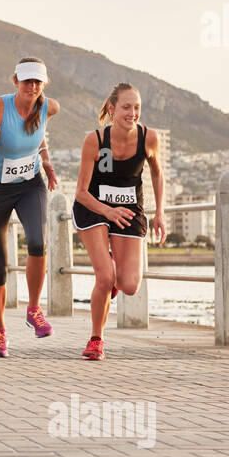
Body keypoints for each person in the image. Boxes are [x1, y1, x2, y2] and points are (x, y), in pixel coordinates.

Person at [71, 81, 166, 360]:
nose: (132, 113)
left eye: (137, 107)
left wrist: (159, 212)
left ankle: (113, 269)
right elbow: (80, 192)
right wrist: (107, 211)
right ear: (112, 109)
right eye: (126, 107)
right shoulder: (95, 140)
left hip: (128, 210)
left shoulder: (149, 138)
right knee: (105, 277)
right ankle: (96, 340)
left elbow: (157, 174)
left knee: (129, 285)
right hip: (93, 209)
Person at [0, 57, 61, 357]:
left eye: (37, 81)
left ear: (44, 84)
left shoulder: (48, 106)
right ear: (16, 81)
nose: (32, 86)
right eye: (27, 81)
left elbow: (40, 138)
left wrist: (47, 163)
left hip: (29, 184)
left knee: (37, 243)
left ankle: (34, 309)